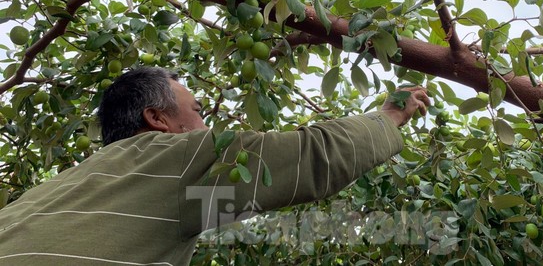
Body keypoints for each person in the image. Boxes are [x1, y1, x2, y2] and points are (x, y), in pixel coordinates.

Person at [0, 67, 429, 265]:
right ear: (157, 119)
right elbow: (313, 158)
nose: (205, 126)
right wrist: (391, 116)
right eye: (198, 111)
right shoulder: (172, 157)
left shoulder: (52, 189)